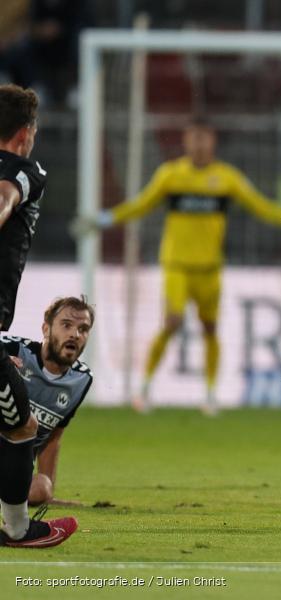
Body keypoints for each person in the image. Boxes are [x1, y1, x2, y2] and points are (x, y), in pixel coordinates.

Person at [72, 118, 281, 415]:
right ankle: (143, 389)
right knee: (172, 321)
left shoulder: (226, 178)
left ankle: (209, 395)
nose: (198, 144)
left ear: (212, 142)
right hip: (177, 265)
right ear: (186, 141)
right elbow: (140, 205)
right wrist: (104, 219)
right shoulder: (170, 175)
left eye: (204, 138)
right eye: (193, 138)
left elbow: (262, 206)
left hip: (209, 268)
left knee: (210, 328)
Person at [0, 83, 78, 547]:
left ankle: (16, 527)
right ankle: (17, 529)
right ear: (26, 132)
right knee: (20, 425)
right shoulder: (21, 169)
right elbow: (6, 196)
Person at [2, 297, 94, 507]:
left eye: (83, 329)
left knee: (41, 487)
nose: (75, 334)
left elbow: (53, 437)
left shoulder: (81, 380)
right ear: (46, 329)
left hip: (12, 474)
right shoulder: (14, 350)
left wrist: (48, 494)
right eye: (66, 325)